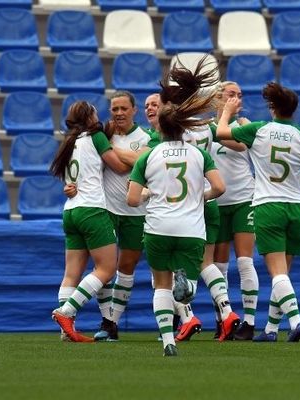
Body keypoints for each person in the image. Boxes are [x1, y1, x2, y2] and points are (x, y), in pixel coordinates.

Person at [216, 82, 300, 342]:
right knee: (284, 274)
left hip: (268, 205)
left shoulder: (259, 130)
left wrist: (227, 111)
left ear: (272, 108)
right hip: (296, 207)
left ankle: (296, 321)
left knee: (277, 273)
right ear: (293, 110)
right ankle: (270, 329)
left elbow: (222, 132)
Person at [127, 87, 225, 357]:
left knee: (161, 285)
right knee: (188, 289)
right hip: (191, 228)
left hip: (158, 227)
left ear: (161, 127)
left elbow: (132, 200)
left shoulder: (148, 156)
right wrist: (198, 197)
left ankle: (168, 342)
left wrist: (150, 193)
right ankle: (188, 287)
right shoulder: (199, 155)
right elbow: (219, 187)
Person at [159, 58, 244, 342]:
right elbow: (238, 142)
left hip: (179, 205)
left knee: (173, 264)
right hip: (207, 202)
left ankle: (186, 317)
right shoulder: (207, 128)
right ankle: (228, 311)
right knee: (206, 263)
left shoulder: (173, 128)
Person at [50, 101, 130, 343]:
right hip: (92, 210)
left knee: (71, 274)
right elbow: (117, 167)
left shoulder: (68, 142)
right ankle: (66, 313)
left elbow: (70, 180)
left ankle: (66, 332)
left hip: (71, 211)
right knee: (106, 270)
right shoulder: (95, 137)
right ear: (89, 117)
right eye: (95, 113)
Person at [91, 91, 157, 341]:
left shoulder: (146, 137)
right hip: (106, 209)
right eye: (114, 109)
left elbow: (143, 159)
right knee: (103, 267)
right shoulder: (101, 135)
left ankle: (113, 322)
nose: (118, 113)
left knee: (126, 267)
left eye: (123, 109)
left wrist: (107, 150)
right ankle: (107, 321)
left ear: (134, 110)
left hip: (136, 211)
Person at [211, 81, 260, 340]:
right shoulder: (206, 128)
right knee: (218, 265)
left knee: (244, 261)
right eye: (231, 95)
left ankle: (249, 323)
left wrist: (227, 116)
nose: (237, 99)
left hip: (243, 199)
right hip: (217, 204)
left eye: (240, 95)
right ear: (218, 98)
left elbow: (238, 144)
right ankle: (223, 319)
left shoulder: (243, 125)